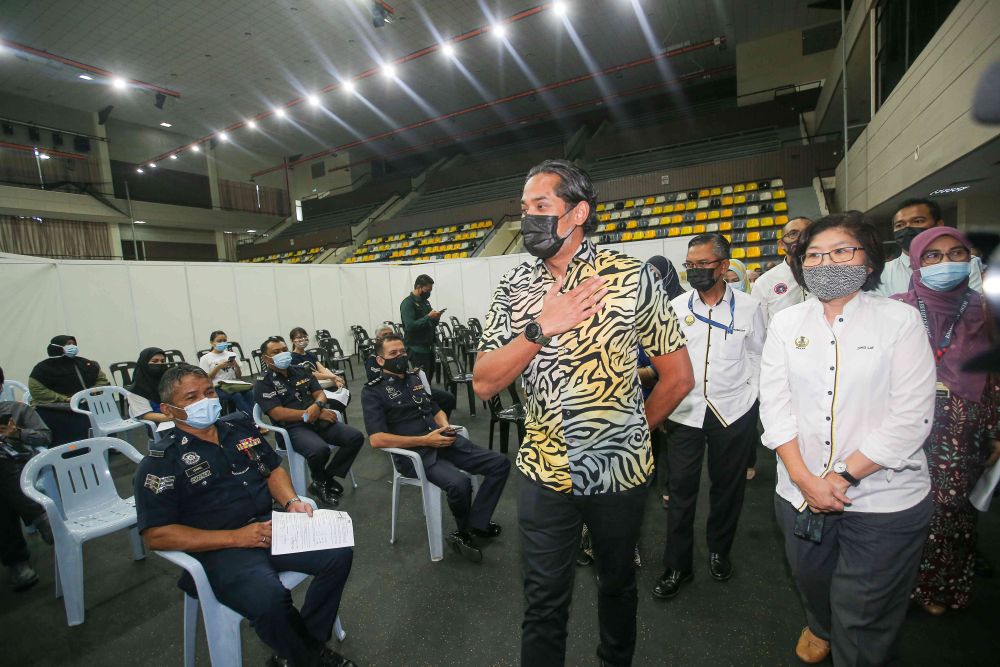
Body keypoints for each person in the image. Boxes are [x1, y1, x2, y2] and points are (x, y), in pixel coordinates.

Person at [473, 159, 693, 667]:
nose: (527, 217)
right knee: (543, 601)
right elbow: (485, 381)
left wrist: (633, 430)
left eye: (540, 206)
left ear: (577, 213)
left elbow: (677, 377)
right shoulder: (513, 288)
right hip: (544, 473)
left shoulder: (630, 276)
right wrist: (540, 328)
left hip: (620, 471)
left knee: (617, 586)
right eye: (524, 208)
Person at [760, 212, 936, 665]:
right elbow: (776, 408)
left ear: (868, 260)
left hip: (881, 496)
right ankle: (821, 625)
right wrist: (803, 479)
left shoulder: (898, 320)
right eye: (814, 255)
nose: (826, 263)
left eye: (841, 251)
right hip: (799, 491)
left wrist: (838, 477)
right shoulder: (787, 324)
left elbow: (910, 416)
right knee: (811, 580)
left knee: (863, 616)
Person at [135, 365, 355, 667]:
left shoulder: (238, 428)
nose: (205, 400)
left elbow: (272, 469)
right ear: (169, 409)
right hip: (220, 549)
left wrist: (291, 501)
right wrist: (236, 537)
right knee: (270, 598)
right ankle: (309, 657)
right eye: (191, 397)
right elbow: (156, 535)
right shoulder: (161, 461)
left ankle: (300, 648)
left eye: (209, 392)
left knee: (338, 551)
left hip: (268, 527)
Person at [891, 227, 1000, 615]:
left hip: (961, 423)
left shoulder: (986, 308)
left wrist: (996, 430)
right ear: (917, 263)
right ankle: (898, 585)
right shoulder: (896, 307)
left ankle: (940, 586)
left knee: (951, 511)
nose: (946, 264)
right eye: (933, 257)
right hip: (901, 420)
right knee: (900, 507)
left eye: (957, 254)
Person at [653, 233, 765, 601]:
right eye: (690, 265)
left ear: (723, 265)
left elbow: (759, 357)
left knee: (727, 489)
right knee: (680, 491)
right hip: (686, 412)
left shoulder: (751, 307)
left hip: (733, 412)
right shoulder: (676, 306)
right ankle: (677, 565)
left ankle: (719, 551)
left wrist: (751, 397)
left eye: (703, 264)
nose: (695, 271)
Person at [362, 334, 510, 562]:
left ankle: (476, 524)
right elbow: (377, 439)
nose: (400, 357)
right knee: (459, 483)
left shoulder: (414, 379)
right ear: (380, 360)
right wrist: (425, 441)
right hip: (416, 455)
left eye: (402, 352)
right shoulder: (373, 391)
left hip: (442, 441)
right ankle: (462, 532)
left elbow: (435, 407)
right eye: (393, 354)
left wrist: (446, 426)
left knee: (500, 464)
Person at [254, 337, 364, 508]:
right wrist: (312, 414)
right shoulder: (263, 383)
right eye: (276, 352)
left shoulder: (301, 370)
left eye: (284, 349)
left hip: (316, 420)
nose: (282, 354)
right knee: (319, 450)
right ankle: (322, 482)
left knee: (355, 437)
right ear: (265, 358)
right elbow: (277, 413)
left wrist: (318, 407)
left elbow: (320, 394)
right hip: (291, 428)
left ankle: (322, 480)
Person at [0, 365, 54, 591]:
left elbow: (46, 435)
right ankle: (41, 518)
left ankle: (16, 561)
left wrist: (17, 433)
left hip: (22, 467)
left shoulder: (18, 410)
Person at [875, 198, 983, 296]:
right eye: (899, 225)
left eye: (918, 221)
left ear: (939, 225)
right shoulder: (882, 273)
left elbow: (974, 307)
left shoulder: (962, 264)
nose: (907, 228)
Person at [28, 335, 109, 444]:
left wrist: (89, 393)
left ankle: (106, 443)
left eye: (73, 344)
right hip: (58, 406)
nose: (72, 347)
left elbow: (102, 380)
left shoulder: (85, 363)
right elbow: (37, 390)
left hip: (85, 400)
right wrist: (64, 399)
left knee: (101, 404)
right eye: (68, 344)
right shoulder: (42, 369)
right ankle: (78, 448)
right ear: (57, 347)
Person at [365, 326, 456, 418]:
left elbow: (404, 370)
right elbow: (375, 378)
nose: (389, 336)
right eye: (385, 335)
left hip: (412, 385)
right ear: (377, 339)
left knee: (447, 398)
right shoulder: (373, 359)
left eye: (391, 333)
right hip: (392, 390)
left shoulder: (401, 354)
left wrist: (412, 372)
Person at [750, 216, 813, 326]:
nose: (802, 238)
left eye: (808, 232)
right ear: (781, 244)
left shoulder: (830, 275)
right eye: (793, 233)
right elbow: (758, 328)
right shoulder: (764, 282)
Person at [288, 328, 349, 412]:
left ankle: (332, 415)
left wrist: (335, 379)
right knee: (333, 402)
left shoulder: (310, 354)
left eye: (305, 336)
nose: (302, 339)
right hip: (309, 389)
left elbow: (322, 369)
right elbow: (311, 375)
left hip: (321, 384)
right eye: (299, 337)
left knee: (344, 394)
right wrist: (334, 377)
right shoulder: (292, 358)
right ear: (292, 341)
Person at [198, 330, 254, 415]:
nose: (223, 343)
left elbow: (239, 376)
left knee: (249, 393)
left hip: (233, 384)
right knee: (236, 395)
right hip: (217, 386)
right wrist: (218, 367)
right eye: (219, 341)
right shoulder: (205, 358)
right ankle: (253, 420)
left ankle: (253, 418)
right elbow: (206, 379)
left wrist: (236, 366)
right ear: (212, 342)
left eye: (224, 340)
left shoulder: (231, 354)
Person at [400, 275, 444, 379]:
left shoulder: (425, 302)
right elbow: (410, 326)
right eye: (427, 290)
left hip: (428, 347)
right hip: (416, 348)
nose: (429, 293)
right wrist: (428, 317)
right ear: (419, 287)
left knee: (428, 378)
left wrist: (436, 317)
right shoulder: (408, 303)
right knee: (420, 380)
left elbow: (430, 323)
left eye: (430, 290)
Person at [126, 347, 171, 423]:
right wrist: (176, 417)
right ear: (144, 363)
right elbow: (146, 415)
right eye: (154, 361)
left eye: (163, 361)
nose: (159, 364)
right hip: (160, 425)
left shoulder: (169, 380)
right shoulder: (137, 389)